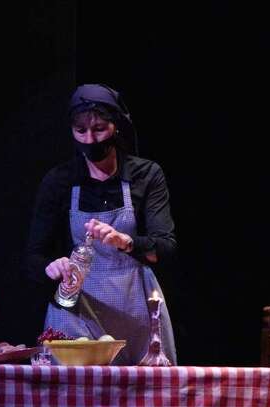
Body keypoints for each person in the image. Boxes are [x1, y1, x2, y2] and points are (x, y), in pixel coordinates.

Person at [26, 84, 177, 365]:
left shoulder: (146, 175)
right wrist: (52, 266)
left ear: (116, 126)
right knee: (74, 398)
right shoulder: (59, 181)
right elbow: (34, 256)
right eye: (81, 131)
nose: (90, 138)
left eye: (99, 129)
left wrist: (126, 242)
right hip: (76, 306)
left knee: (142, 397)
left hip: (134, 306)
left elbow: (165, 248)